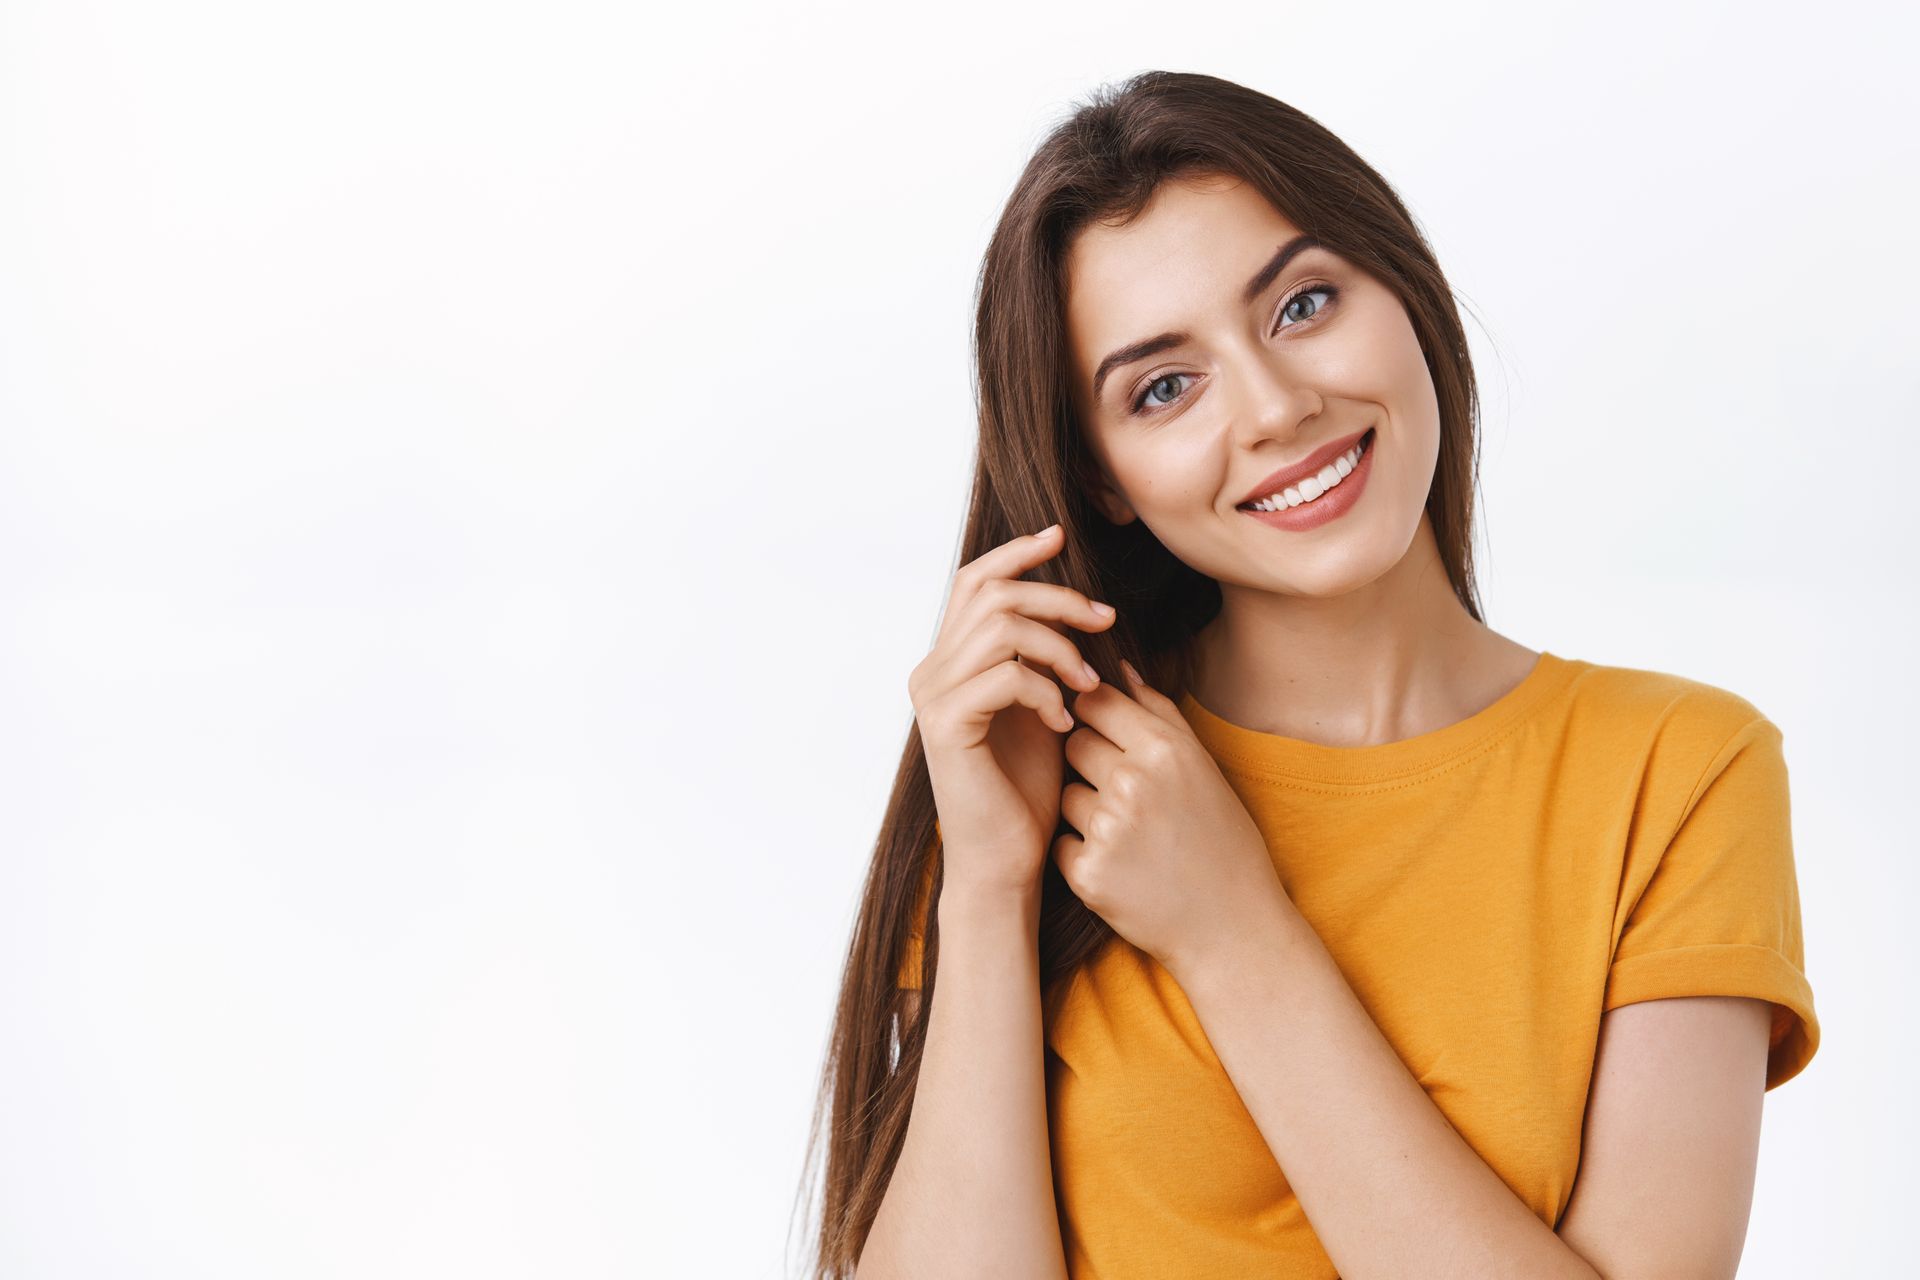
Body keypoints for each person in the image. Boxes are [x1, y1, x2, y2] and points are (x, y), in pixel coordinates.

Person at [800, 70, 1817, 1280]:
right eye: (1165, 387)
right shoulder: (1038, 779)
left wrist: (1233, 930)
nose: (1279, 407)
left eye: (1302, 304)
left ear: (1405, 286)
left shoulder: (1678, 769)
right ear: (1107, 477)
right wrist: (985, 882)